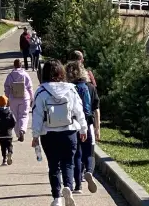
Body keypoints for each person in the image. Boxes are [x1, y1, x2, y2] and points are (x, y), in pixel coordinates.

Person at [31, 59, 88, 206]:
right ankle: (68, 187)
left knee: (53, 165)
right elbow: (79, 110)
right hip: (69, 132)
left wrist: (35, 135)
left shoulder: (41, 91)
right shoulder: (70, 89)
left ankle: (57, 198)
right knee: (68, 163)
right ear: (61, 72)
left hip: (48, 134)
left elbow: (37, 114)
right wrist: (83, 128)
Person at [66, 61, 99, 195]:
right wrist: (98, 127)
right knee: (89, 153)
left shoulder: (68, 88)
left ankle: (78, 186)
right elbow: (95, 108)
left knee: (76, 155)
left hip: (73, 125)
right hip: (88, 123)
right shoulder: (90, 87)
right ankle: (89, 172)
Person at [4, 58, 33, 141]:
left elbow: (7, 88)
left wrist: (7, 98)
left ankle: (17, 133)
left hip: (13, 98)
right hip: (24, 98)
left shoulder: (10, 76)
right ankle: (22, 130)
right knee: (24, 115)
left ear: (14, 65)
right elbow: (30, 87)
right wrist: (32, 98)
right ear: (21, 65)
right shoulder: (25, 74)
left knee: (15, 116)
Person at [0, 95, 16, 166]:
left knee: (3, 147)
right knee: (9, 145)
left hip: (1, 135)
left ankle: (4, 159)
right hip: (8, 134)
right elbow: (14, 122)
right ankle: (10, 152)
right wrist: (11, 128)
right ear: (6, 103)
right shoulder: (10, 112)